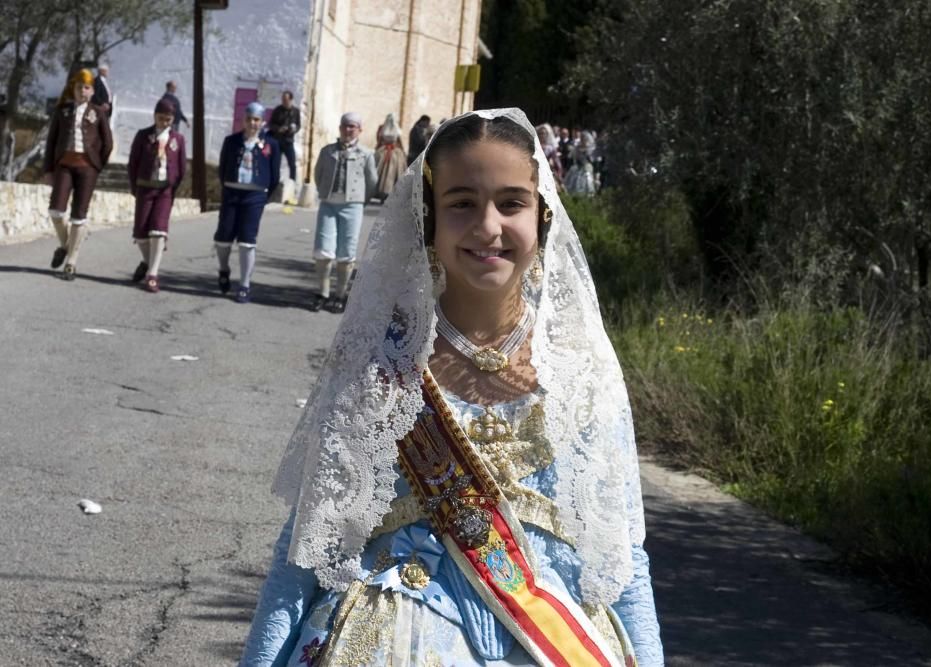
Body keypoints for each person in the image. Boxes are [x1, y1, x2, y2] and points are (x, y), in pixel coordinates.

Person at [238, 109, 663, 666]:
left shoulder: (581, 369)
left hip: (553, 643)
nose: (488, 226)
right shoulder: (381, 363)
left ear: (543, 216)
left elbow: (623, 561)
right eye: (462, 203)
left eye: (511, 202)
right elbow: (305, 550)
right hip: (390, 643)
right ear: (429, 221)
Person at [43, 68, 113, 281]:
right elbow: (51, 141)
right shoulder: (62, 110)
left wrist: (97, 165)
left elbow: (107, 142)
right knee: (56, 210)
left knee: (78, 215)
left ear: (92, 91)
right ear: (72, 89)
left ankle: (71, 262)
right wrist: (48, 169)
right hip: (64, 165)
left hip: (87, 168)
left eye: (87, 87)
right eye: (79, 87)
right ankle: (65, 246)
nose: (82, 91)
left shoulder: (98, 113)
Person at [213, 102, 280, 303]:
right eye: (249, 119)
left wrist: (263, 196)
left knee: (247, 241)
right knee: (223, 238)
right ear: (243, 120)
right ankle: (224, 269)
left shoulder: (271, 144)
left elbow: (274, 176)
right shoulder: (231, 141)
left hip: (255, 196)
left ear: (262, 122)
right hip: (232, 192)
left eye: (256, 119)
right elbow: (222, 168)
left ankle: (244, 285)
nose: (252, 123)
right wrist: (228, 186)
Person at [310, 111, 377, 313]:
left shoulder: (366, 154)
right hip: (329, 203)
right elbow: (318, 174)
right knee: (323, 247)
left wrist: (359, 202)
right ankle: (322, 292)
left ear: (359, 130)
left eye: (353, 126)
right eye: (345, 126)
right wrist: (325, 192)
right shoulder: (327, 151)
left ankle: (340, 294)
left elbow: (371, 181)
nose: (348, 130)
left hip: (352, 205)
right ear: (340, 128)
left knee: (347, 250)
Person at [126, 98, 187, 293]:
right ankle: (146, 261)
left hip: (164, 190)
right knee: (141, 234)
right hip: (145, 187)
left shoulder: (178, 139)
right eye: (161, 118)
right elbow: (132, 163)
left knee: (158, 231)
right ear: (155, 116)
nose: (164, 123)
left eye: (168, 119)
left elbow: (182, 168)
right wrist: (135, 187)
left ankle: (152, 274)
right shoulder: (143, 136)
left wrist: (172, 185)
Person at [267, 90, 301, 181]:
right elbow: (270, 124)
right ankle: (275, 182)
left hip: (288, 141)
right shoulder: (277, 110)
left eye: (285, 100)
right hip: (277, 141)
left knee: (292, 164)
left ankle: (292, 183)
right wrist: (279, 129)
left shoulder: (296, 111)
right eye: (282, 99)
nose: (283, 101)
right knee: (276, 163)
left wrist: (294, 129)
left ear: (290, 100)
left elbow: (298, 125)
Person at [374, 113, 407, 202]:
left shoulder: (383, 129)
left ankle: (385, 192)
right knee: (393, 172)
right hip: (393, 152)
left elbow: (379, 140)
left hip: (385, 151)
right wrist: (403, 152)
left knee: (385, 172)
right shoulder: (396, 129)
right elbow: (399, 141)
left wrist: (377, 149)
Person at [564, 130, 597, 196]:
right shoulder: (576, 148)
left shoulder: (590, 149)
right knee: (574, 180)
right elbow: (571, 158)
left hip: (586, 167)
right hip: (577, 167)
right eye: (582, 138)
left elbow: (593, 161)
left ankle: (587, 195)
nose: (583, 139)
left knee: (587, 178)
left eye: (584, 138)